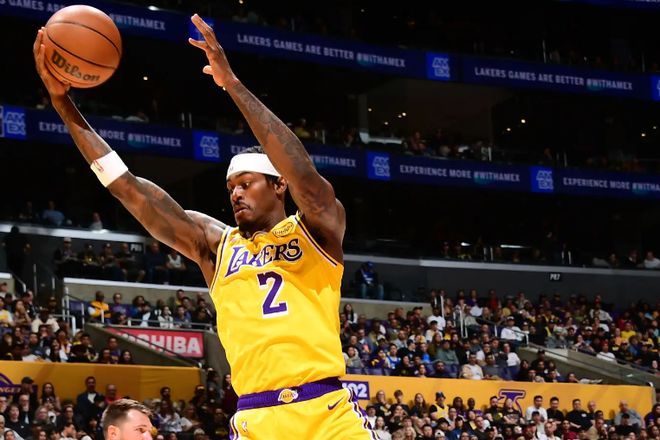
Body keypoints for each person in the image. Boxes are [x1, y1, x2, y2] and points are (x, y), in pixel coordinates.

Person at [34, 15, 374, 438]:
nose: (236, 194)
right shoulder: (216, 244)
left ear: (278, 185)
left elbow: (303, 172)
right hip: (257, 419)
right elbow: (128, 188)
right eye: (231, 188)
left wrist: (232, 84)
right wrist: (63, 104)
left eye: (246, 184)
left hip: (327, 412)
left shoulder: (318, 228)